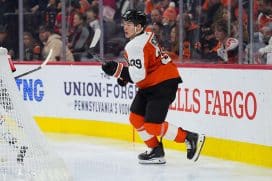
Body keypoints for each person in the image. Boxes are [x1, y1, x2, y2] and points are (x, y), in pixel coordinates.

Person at [101, 9, 205, 164]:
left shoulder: (134, 45)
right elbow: (144, 66)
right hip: (153, 82)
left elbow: (138, 76)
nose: (125, 27)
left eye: (129, 24)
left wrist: (118, 71)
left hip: (162, 83)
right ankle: (155, 150)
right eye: (124, 24)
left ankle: (190, 137)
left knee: (153, 127)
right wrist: (124, 74)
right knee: (136, 118)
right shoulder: (147, 35)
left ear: (139, 26)